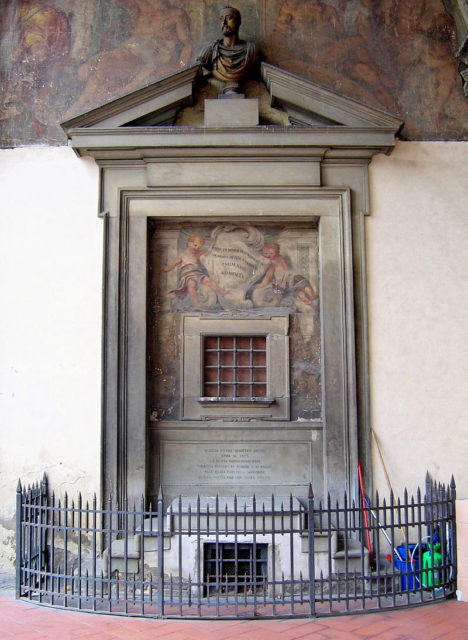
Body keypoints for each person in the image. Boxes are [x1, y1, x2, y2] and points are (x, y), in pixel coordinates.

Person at [197, 6, 257, 94]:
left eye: (229, 18)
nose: (224, 22)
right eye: (221, 19)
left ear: (238, 22)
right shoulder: (210, 50)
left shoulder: (250, 50)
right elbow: (199, 71)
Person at [160, 234, 229, 307]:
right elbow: (173, 264)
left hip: (198, 273)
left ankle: (222, 292)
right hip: (187, 274)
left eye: (199, 247)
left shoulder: (198, 253)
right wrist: (165, 269)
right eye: (195, 245)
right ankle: (196, 303)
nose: (197, 248)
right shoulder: (182, 255)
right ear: (189, 243)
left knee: (208, 280)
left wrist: (212, 243)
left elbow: (209, 251)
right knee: (191, 285)